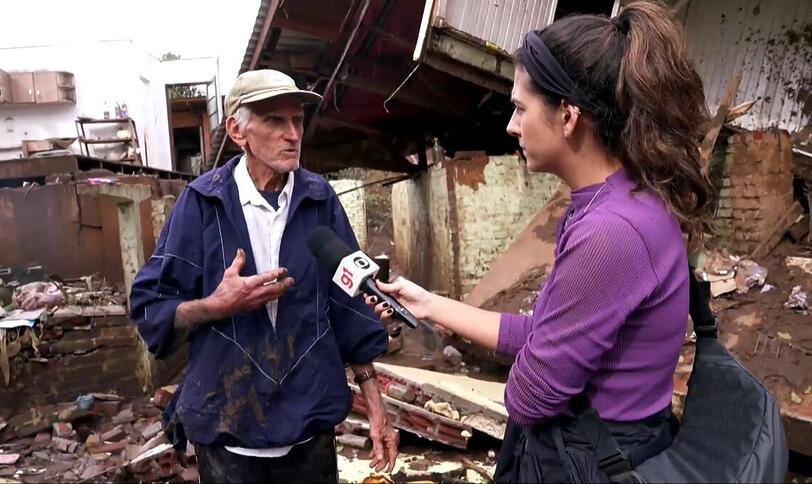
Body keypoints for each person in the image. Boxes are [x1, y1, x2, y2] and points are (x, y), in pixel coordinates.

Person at [366, 2, 712, 482]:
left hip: (595, 460)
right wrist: (430, 305)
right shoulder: (610, 202)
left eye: (520, 108)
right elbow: (545, 336)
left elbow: (531, 395)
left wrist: (536, 354)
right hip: (600, 444)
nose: (510, 125)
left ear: (568, 116)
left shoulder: (612, 232)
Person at [130, 69, 398, 483]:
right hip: (228, 433)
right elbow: (151, 305)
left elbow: (349, 311)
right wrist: (214, 306)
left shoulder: (318, 201)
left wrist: (377, 407)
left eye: (297, 121)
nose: (292, 134)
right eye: (275, 121)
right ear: (238, 130)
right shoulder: (202, 204)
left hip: (309, 434)